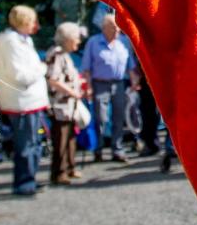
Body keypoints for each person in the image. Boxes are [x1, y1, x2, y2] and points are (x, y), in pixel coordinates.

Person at [0, 5, 49, 196]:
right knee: (25, 145)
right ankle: (24, 183)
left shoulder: (23, 40)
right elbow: (20, 75)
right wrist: (42, 69)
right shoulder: (10, 42)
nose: (36, 25)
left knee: (33, 143)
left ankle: (30, 178)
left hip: (30, 101)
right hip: (22, 102)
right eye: (33, 21)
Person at [80, 13, 135, 163]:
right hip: (99, 83)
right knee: (101, 118)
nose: (117, 29)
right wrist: (88, 87)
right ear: (104, 28)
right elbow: (86, 67)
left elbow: (131, 66)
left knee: (118, 117)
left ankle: (117, 149)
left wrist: (134, 82)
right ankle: (98, 148)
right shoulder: (93, 42)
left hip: (119, 83)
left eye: (118, 26)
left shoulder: (123, 42)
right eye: (113, 26)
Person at [46, 22, 86, 185]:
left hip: (69, 106)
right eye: (76, 37)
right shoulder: (57, 54)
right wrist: (72, 92)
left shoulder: (65, 54)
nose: (79, 41)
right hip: (60, 105)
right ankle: (58, 173)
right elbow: (53, 80)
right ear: (68, 39)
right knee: (61, 139)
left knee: (70, 137)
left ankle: (70, 167)